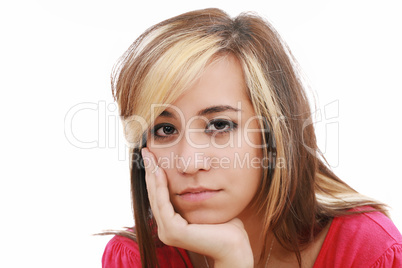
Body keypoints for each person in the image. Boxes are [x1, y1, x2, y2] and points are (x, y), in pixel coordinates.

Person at [102, 8, 402, 268]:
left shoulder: (368, 251)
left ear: (274, 135)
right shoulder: (135, 258)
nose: (189, 162)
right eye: (165, 130)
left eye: (220, 125)